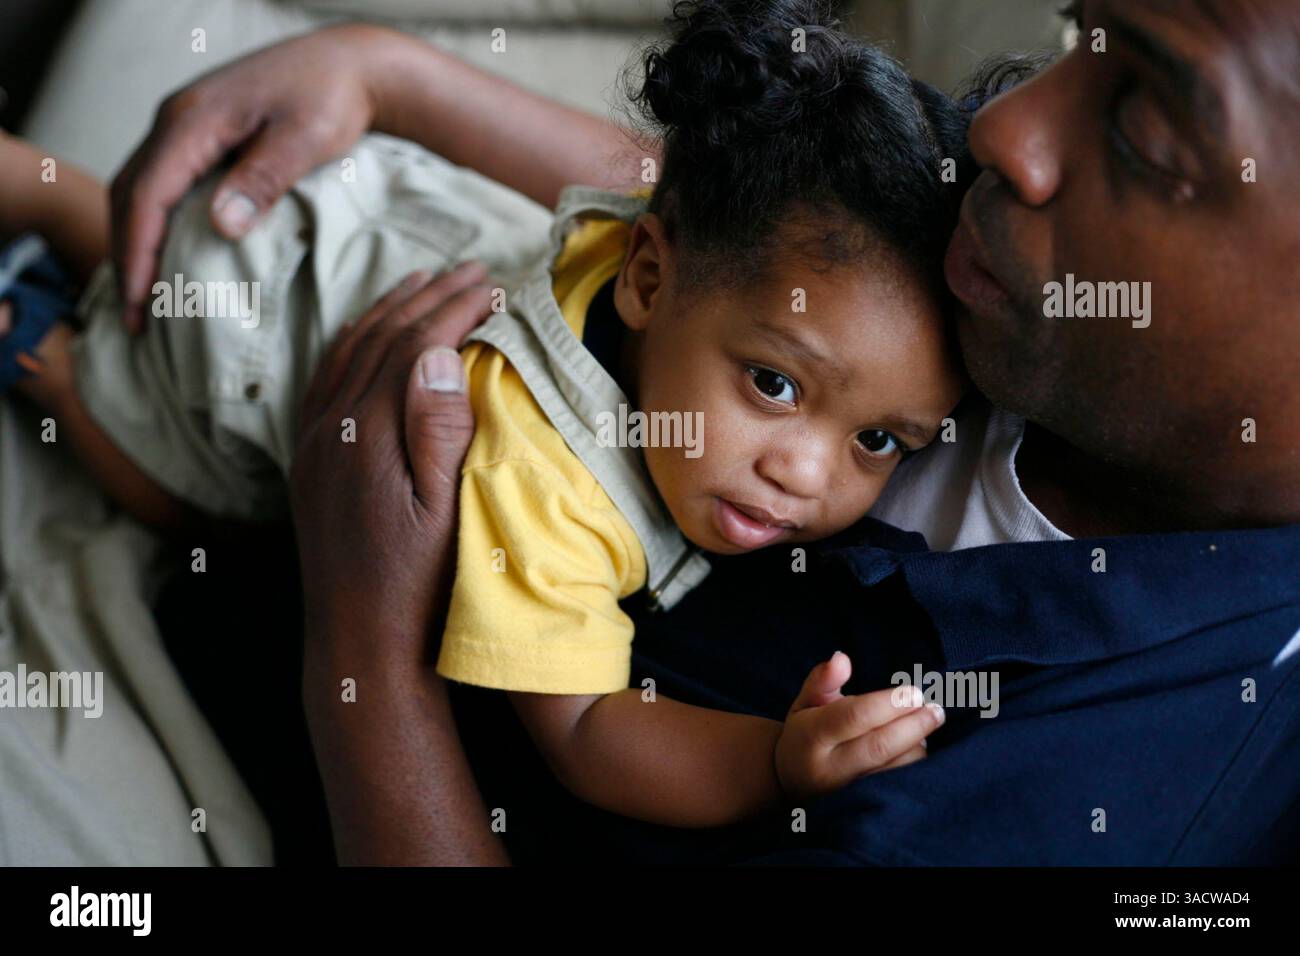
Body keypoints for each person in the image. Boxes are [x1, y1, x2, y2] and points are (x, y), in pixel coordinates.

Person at [128, 0, 1300, 864]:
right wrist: (391, 75)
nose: (1007, 129)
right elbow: (758, 227)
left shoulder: (1085, 806)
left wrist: (365, 647)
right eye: (1070, 37)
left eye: (1144, 126)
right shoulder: (1032, 282)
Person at [0, 0, 976, 828]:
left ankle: (49, 196)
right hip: (237, 356)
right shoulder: (545, 495)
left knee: (158, 256)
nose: (803, 472)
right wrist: (770, 761)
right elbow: (587, 728)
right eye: (771, 385)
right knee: (177, 498)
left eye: (877, 439)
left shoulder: (671, 253)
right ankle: (35, 348)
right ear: (647, 278)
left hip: (337, 225)